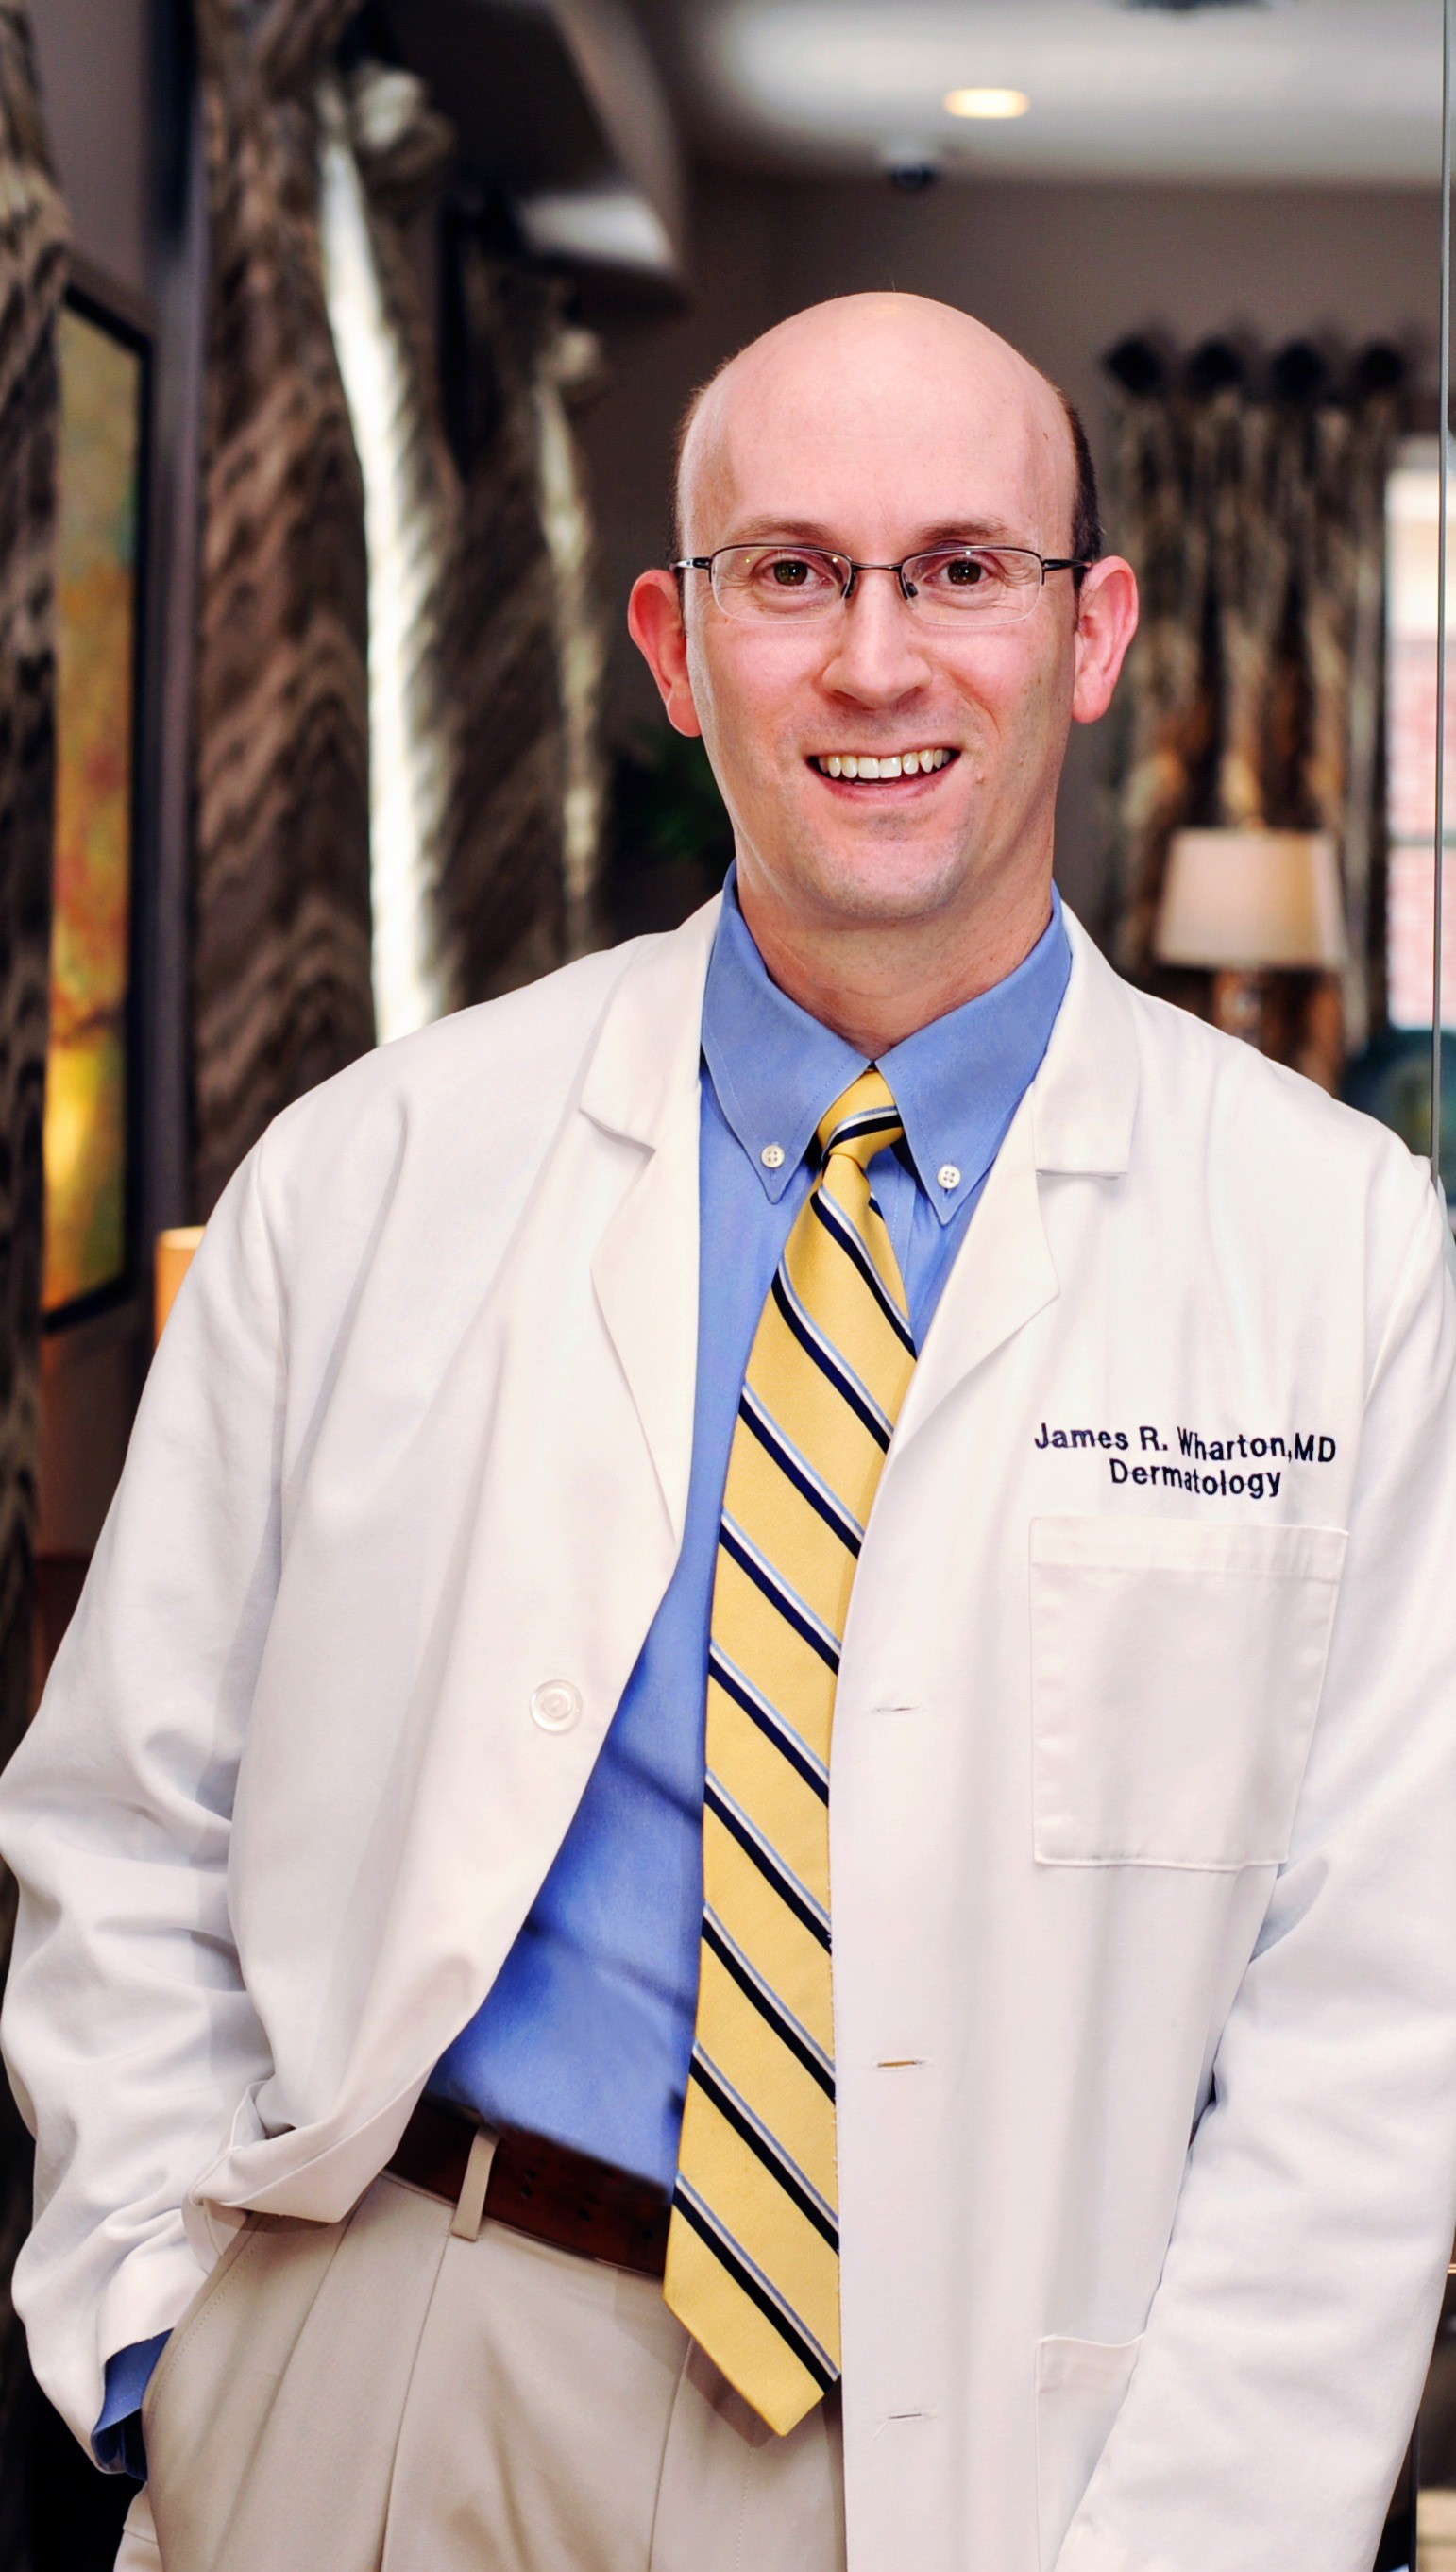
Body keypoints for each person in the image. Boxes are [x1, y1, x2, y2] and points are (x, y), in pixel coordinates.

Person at [3, 289, 1455, 2572]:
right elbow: (124, 1811)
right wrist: (161, 2346)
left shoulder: (1336, 1248)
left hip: (981, 2439)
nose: (879, 661)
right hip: (396, 2371)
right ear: (678, 652)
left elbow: (1382, 2011)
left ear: (1092, 637)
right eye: (793, 573)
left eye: (964, 567)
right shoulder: (370, 1172)